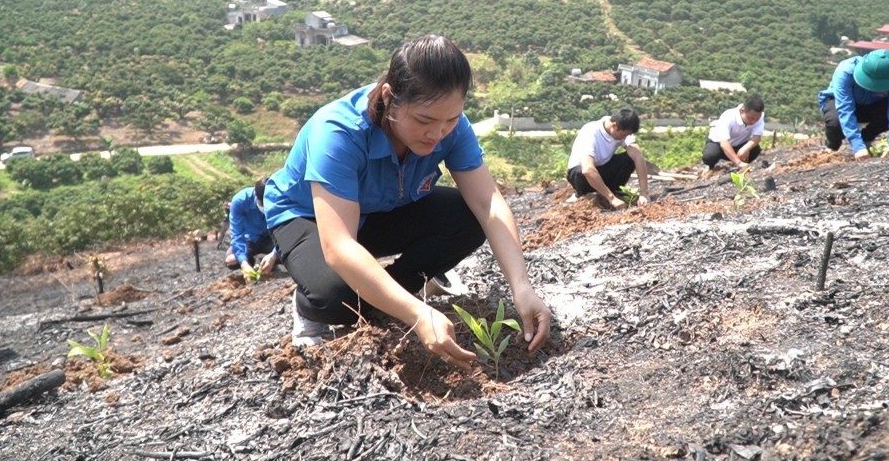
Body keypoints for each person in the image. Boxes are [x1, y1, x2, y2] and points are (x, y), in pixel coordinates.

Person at [263, 35, 551, 368]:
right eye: (424, 121)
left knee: (468, 218)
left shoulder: (450, 128)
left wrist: (522, 287)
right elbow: (339, 244)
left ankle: (391, 296)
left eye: (451, 119)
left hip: (379, 211)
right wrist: (417, 314)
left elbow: (488, 203)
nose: (438, 133)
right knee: (335, 299)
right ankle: (308, 302)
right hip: (309, 215)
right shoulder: (338, 132)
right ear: (389, 97)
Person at [818, 49, 889, 160]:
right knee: (835, 123)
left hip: (872, 105)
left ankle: (866, 137)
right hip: (841, 102)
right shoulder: (845, 70)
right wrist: (857, 147)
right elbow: (845, 108)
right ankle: (832, 145)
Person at [565, 108, 650, 209]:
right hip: (582, 175)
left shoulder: (621, 127)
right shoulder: (590, 132)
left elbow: (638, 156)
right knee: (581, 173)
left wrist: (644, 193)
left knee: (630, 158)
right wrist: (612, 199)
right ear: (614, 126)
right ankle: (585, 195)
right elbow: (588, 169)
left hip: (603, 169)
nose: (623, 138)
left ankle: (612, 191)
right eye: (623, 135)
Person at [225, 176, 278, 281]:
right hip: (250, 239)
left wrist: (274, 255)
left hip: (272, 239)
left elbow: (286, 232)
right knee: (231, 260)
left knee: (292, 252)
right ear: (256, 196)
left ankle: (269, 260)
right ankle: (251, 263)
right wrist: (244, 264)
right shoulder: (240, 201)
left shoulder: (280, 200)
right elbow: (237, 235)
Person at [702, 95, 765, 169]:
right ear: (742, 111)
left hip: (739, 145)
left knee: (755, 150)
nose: (754, 121)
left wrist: (746, 148)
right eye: (751, 118)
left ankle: (737, 162)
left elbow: (757, 137)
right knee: (709, 156)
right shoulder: (729, 116)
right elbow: (724, 143)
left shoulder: (758, 117)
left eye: (757, 119)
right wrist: (739, 162)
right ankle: (712, 167)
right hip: (719, 144)